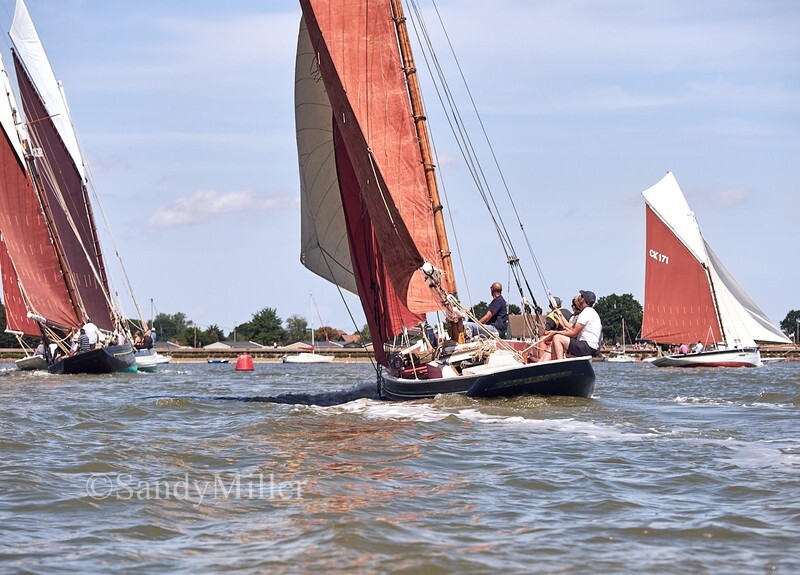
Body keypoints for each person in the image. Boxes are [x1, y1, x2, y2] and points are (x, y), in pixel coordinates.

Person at [536, 290, 602, 361]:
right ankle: (541, 363)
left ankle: (561, 364)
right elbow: (571, 328)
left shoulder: (586, 312)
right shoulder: (590, 312)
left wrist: (555, 332)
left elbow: (573, 333)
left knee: (557, 338)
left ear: (583, 300)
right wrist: (560, 317)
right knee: (555, 344)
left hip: (587, 347)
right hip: (590, 347)